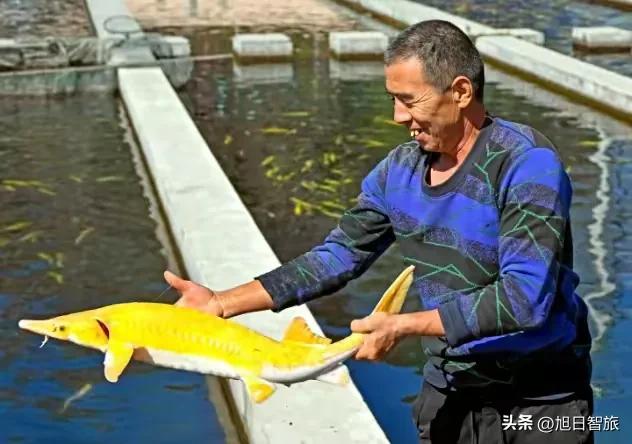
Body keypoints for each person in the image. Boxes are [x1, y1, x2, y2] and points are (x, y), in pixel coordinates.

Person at [165, 20, 593, 444]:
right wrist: (222, 302)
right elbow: (336, 256)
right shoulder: (397, 173)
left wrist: (403, 326)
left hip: (543, 403)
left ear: (461, 92)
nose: (397, 116)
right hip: (451, 393)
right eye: (393, 99)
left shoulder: (525, 163)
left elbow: (524, 298)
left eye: (409, 100)